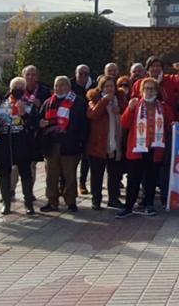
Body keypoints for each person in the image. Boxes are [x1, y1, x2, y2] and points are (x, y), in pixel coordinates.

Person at [117, 78, 175, 218]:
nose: (149, 91)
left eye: (152, 89)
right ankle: (128, 206)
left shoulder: (163, 107)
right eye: (147, 88)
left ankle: (149, 205)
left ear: (157, 91)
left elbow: (169, 125)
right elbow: (124, 123)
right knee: (133, 179)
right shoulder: (135, 105)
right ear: (142, 91)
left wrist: (174, 124)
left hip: (155, 149)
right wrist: (130, 109)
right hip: (137, 148)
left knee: (151, 178)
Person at [39, 76, 89, 213]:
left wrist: (81, 143)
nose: (59, 88)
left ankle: (71, 201)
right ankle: (52, 201)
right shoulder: (49, 102)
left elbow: (84, 124)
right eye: (56, 86)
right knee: (51, 176)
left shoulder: (78, 102)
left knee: (70, 176)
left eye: (62, 85)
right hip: (52, 145)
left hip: (70, 144)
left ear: (68, 87)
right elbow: (40, 119)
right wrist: (41, 124)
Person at [0, 77, 39, 215]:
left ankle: (28, 204)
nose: (18, 90)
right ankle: (6, 203)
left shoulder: (29, 105)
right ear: (10, 88)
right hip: (5, 144)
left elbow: (34, 124)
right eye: (16, 87)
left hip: (23, 144)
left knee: (26, 173)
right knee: (4, 173)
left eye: (21, 87)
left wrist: (24, 114)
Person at [10, 65, 50, 202]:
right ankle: (10, 191)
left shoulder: (44, 91)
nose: (31, 77)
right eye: (28, 75)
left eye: (33, 74)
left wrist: (39, 105)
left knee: (31, 165)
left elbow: (49, 110)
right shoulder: (17, 90)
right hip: (16, 134)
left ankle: (29, 193)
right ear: (23, 76)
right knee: (14, 165)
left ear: (37, 77)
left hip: (34, 135)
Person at [86, 76, 127, 210]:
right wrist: (104, 101)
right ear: (101, 88)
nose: (109, 89)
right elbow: (92, 115)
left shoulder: (120, 99)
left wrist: (120, 110)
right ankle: (96, 200)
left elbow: (127, 112)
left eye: (112, 86)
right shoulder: (95, 99)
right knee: (97, 175)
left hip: (115, 143)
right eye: (106, 86)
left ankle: (113, 198)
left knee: (114, 174)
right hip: (98, 144)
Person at [71, 64, 94, 195]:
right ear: (76, 74)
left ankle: (82, 183)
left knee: (86, 157)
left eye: (86, 74)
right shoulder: (70, 85)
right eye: (81, 74)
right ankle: (67, 184)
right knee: (71, 159)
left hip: (87, 125)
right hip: (72, 126)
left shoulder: (93, 86)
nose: (84, 76)